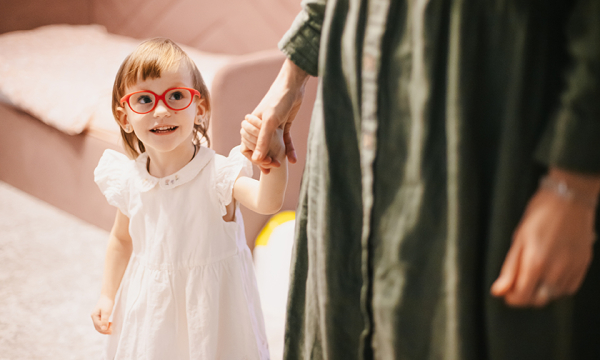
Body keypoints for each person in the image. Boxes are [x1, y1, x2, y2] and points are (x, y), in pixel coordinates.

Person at [240, 0, 600, 359]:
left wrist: (573, 186)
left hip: (489, 130)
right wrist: (291, 77)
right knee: (342, 316)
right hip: (349, 118)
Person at [90, 38, 287, 360]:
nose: (162, 110)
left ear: (200, 108)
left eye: (177, 96)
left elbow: (267, 203)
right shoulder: (129, 179)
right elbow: (121, 240)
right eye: (144, 99)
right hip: (151, 304)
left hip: (212, 307)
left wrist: (272, 163)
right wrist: (107, 295)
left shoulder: (218, 174)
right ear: (124, 116)